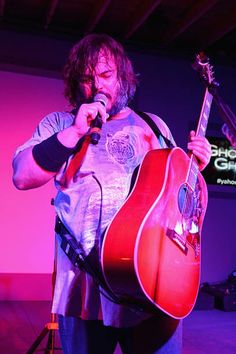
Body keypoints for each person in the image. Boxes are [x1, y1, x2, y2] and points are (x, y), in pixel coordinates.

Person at [12, 33, 212, 354]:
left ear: (123, 78)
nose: (99, 86)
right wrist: (75, 131)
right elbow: (22, 176)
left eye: (106, 75)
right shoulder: (59, 123)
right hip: (86, 291)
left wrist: (196, 168)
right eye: (88, 79)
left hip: (153, 285)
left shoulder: (155, 126)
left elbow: (183, 203)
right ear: (76, 85)